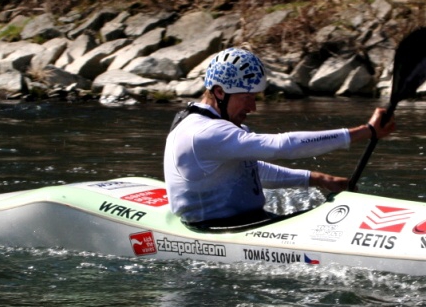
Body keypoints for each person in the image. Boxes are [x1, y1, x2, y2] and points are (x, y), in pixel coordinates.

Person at [163, 47, 395, 230]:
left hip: (248, 223)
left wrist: (320, 179)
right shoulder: (205, 132)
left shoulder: (217, 127)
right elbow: (283, 146)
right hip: (220, 229)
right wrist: (366, 131)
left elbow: (248, 170)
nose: (253, 107)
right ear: (220, 92)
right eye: (247, 97)